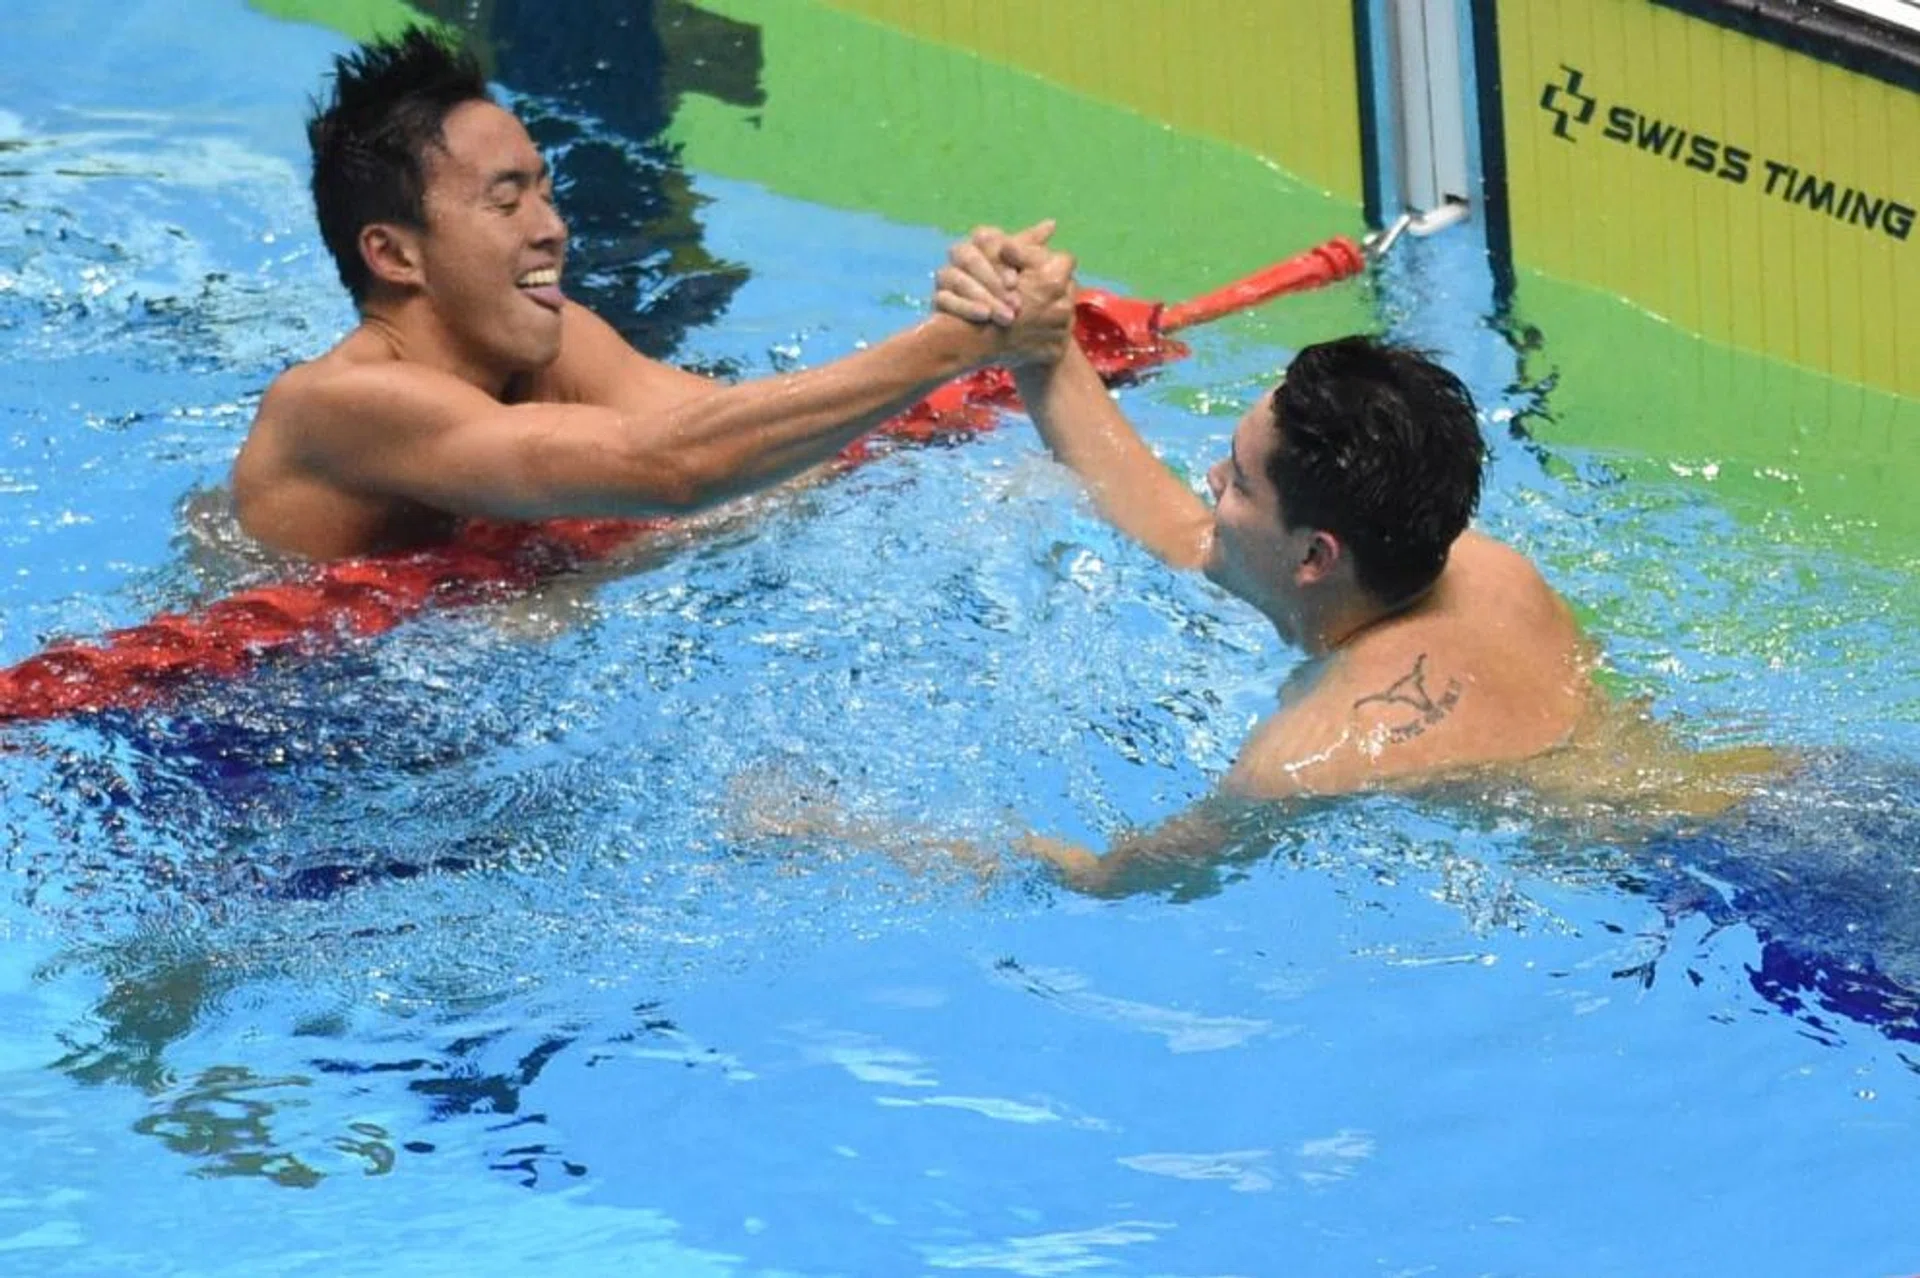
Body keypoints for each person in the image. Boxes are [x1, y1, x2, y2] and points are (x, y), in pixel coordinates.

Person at [762, 227, 1773, 895]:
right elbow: (1177, 525)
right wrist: (1040, 345)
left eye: (1238, 481)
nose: (1207, 480)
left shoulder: (1307, 759)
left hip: (1744, 891)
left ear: (1315, 556)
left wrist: (837, 832)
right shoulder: (1480, 564)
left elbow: (1111, 880)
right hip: (1775, 789)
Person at [233, 28, 1073, 560]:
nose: (552, 227)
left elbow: (757, 453)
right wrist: (953, 345)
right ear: (392, 254)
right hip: (242, 746)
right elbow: (669, 471)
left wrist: (992, 407)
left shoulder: (551, 344)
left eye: (547, 192)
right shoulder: (340, 403)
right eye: (505, 199)